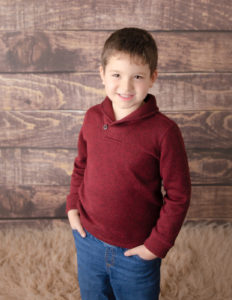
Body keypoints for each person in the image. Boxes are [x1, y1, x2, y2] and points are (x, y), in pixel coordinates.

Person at [66, 27, 191, 300]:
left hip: (136, 252)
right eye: (116, 75)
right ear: (102, 74)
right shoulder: (91, 118)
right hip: (88, 241)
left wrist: (155, 246)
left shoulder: (164, 132)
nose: (125, 86)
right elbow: (81, 166)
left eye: (137, 77)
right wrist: (73, 206)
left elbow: (179, 195)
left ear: (152, 78)